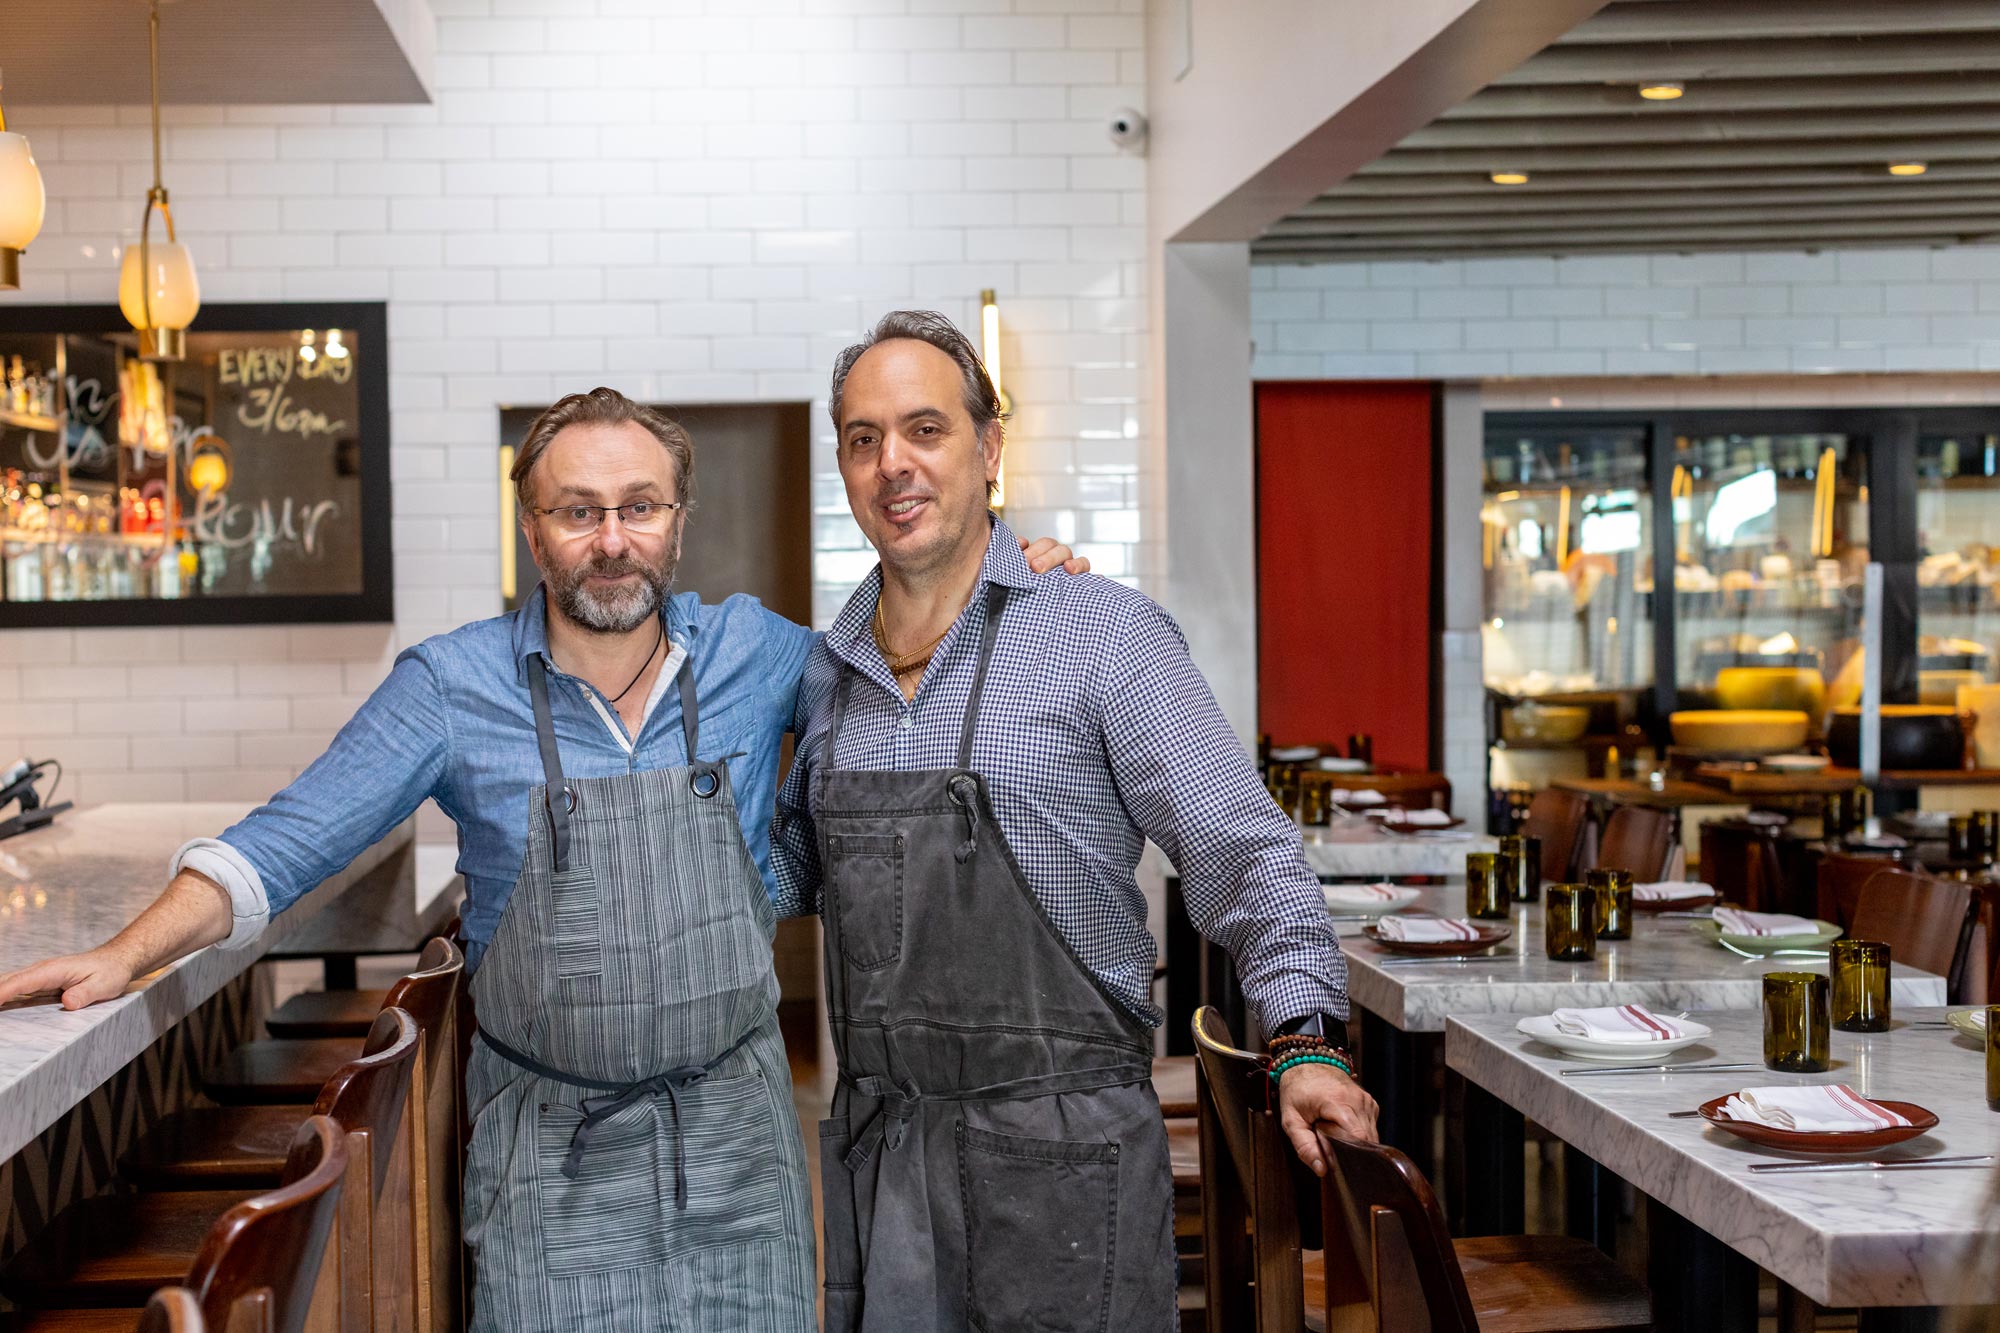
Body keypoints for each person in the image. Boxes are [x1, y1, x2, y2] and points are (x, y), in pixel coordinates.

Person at [0, 386, 1085, 1332]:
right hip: (549, 1156)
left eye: (638, 507)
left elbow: (911, 672)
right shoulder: (449, 686)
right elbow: (283, 843)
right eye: (578, 511)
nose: (611, 539)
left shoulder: (758, 652)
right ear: (531, 528)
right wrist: (123, 952)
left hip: (738, 1148)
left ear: (677, 520)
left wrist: (1011, 577)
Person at [772, 311, 1379, 1332]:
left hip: (1067, 1162)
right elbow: (789, 869)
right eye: (863, 437)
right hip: (889, 1165)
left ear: (989, 447)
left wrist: (1304, 1039)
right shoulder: (828, 674)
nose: (893, 463)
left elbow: (1242, 852)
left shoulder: (1100, 632)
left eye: (926, 429)